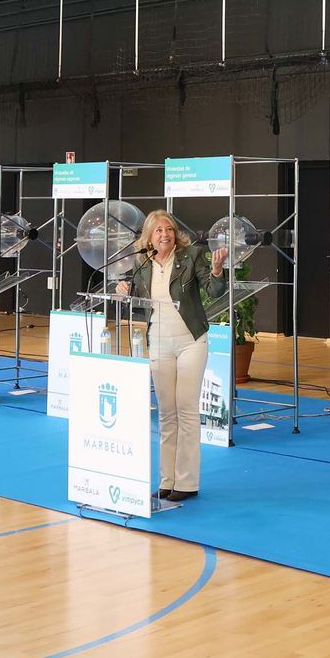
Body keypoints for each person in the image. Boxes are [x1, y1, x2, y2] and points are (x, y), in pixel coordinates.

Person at [112, 210, 228, 502]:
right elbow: (137, 299)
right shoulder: (142, 263)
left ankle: (186, 482)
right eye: (159, 231)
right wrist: (123, 290)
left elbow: (215, 290)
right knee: (166, 414)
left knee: (186, 409)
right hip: (159, 343)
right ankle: (167, 480)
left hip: (191, 342)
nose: (165, 235)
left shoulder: (191, 256)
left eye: (169, 229)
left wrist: (217, 270)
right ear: (149, 237)